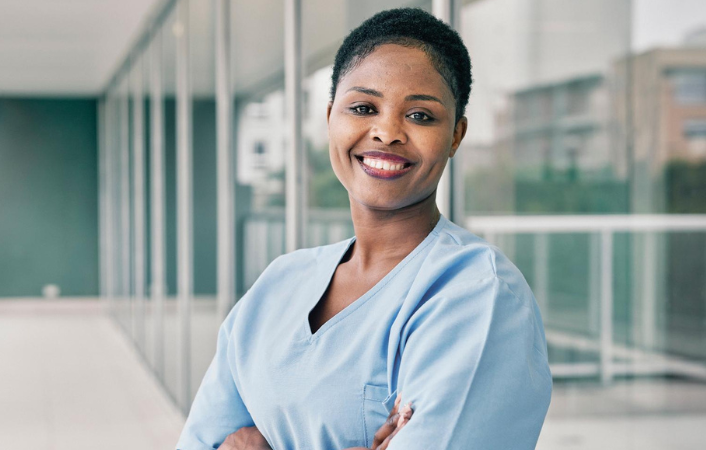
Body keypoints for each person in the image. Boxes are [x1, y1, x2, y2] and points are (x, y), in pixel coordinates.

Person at [176, 8, 551, 450]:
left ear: (455, 136)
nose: (387, 132)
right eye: (362, 107)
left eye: (421, 116)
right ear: (331, 116)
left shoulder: (477, 294)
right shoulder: (280, 282)